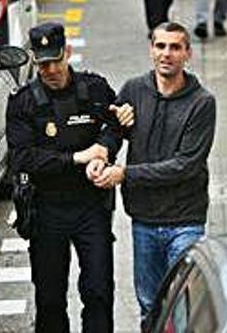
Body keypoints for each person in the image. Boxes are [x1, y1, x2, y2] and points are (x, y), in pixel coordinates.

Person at [6, 22, 134, 332]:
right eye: (42, 63)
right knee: (50, 299)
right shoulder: (23, 102)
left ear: (68, 53)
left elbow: (117, 124)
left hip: (91, 207)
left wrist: (103, 149)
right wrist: (76, 158)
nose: (50, 69)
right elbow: (22, 158)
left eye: (55, 59)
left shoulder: (94, 89)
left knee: (98, 292)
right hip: (47, 209)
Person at [88, 21, 216, 328]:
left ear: (188, 53)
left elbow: (185, 165)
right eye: (160, 46)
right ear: (151, 50)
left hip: (185, 220)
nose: (166, 54)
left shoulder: (202, 103)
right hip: (144, 219)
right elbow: (112, 131)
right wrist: (102, 154)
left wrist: (124, 174)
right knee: (150, 304)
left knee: (182, 309)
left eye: (175, 47)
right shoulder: (134, 90)